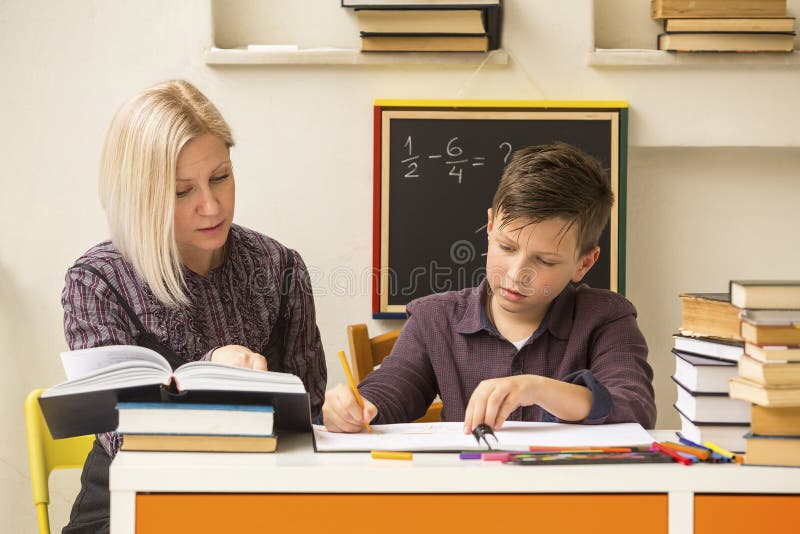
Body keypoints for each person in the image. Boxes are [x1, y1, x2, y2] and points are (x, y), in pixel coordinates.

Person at [60, 80, 327, 533]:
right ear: (139, 195)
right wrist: (212, 375)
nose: (211, 206)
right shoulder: (97, 280)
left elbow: (311, 414)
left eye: (220, 177)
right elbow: (121, 436)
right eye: (182, 191)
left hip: (256, 503)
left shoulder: (280, 267)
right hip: (130, 506)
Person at [323, 142, 655, 433]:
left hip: (565, 496)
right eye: (507, 247)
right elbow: (392, 390)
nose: (516, 274)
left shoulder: (606, 317)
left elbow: (634, 408)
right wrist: (355, 407)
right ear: (491, 225)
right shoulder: (434, 318)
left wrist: (537, 389)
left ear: (584, 263)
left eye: (545, 261)